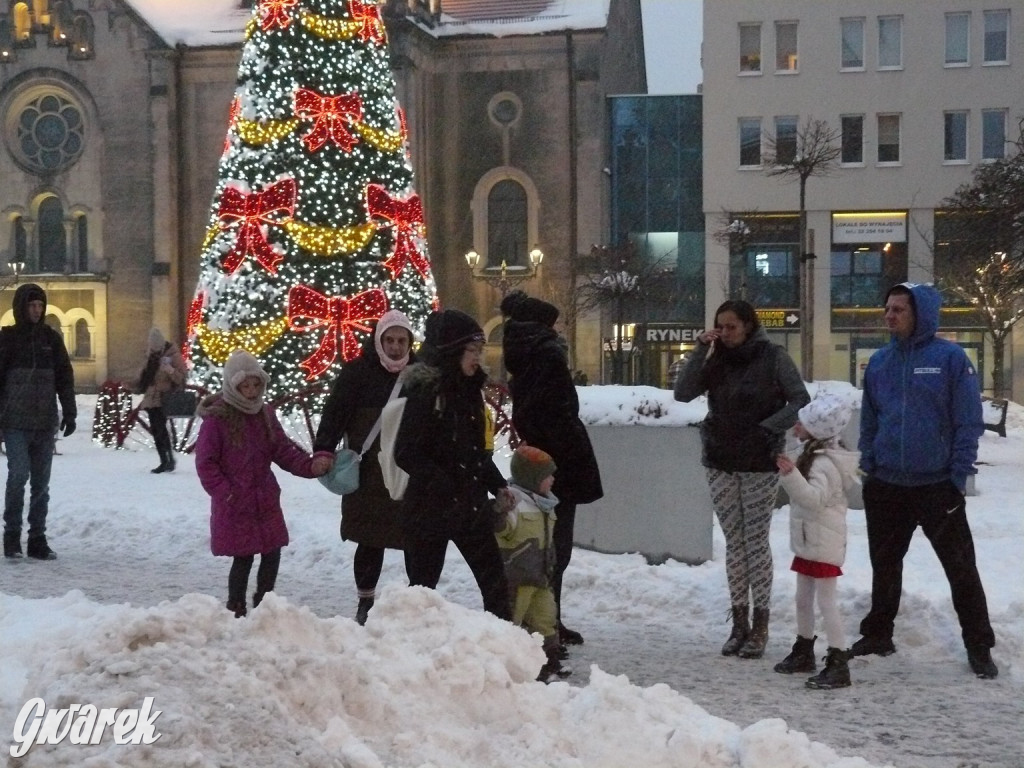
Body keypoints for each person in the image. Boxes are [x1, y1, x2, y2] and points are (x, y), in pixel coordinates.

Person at [851, 282, 998, 679]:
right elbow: (870, 419)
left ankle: (979, 644)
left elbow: (968, 421)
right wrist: (870, 463)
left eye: (899, 309)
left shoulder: (950, 359)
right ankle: (879, 632)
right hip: (886, 484)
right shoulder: (880, 361)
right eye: (888, 308)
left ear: (921, 313)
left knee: (960, 568)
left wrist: (957, 476)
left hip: (937, 486)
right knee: (884, 565)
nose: (890, 315)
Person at [674, 299, 809, 658]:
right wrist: (700, 349)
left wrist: (768, 428)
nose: (725, 332)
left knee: (755, 540)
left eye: (732, 326)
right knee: (734, 542)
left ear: (748, 325)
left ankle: (761, 625)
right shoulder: (716, 358)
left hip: (760, 460)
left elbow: (799, 398)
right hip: (720, 458)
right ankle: (739, 623)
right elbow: (683, 393)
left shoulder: (773, 356)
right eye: (721, 326)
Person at [393, 309, 514, 620]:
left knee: (496, 586)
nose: (478, 358)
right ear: (452, 351)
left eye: (479, 350)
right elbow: (405, 452)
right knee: (421, 593)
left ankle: (502, 654)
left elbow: (475, 452)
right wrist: (445, 481)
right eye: (472, 350)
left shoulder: (470, 391)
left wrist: (497, 484)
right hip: (428, 511)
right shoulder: (424, 391)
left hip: (470, 508)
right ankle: (409, 655)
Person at [195, 349, 333, 617]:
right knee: (243, 557)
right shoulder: (217, 420)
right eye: (244, 385)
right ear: (232, 385)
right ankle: (236, 607)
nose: (251, 390)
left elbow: (282, 450)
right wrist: (226, 494)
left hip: (265, 499)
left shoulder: (265, 414)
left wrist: (309, 466)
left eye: (256, 384)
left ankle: (264, 603)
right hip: (236, 502)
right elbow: (206, 463)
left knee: (273, 552)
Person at [500, 291, 603, 651]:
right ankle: (547, 624)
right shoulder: (547, 354)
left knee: (546, 544)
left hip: (539, 459)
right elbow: (564, 408)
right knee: (555, 547)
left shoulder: (521, 354)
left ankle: (546, 619)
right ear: (543, 325)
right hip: (559, 463)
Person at [314, 309, 417, 624]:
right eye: (390, 340)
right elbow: (335, 413)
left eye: (402, 340)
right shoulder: (357, 373)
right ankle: (365, 601)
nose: (396, 347)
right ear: (379, 340)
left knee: (416, 538)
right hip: (369, 471)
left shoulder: (420, 374)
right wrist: (323, 449)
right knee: (370, 538)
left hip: (406, 470)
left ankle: (420, 600)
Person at [773, 393, 859, 690]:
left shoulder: (824, 463)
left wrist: (790, 475)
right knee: (802, 600)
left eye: (803, 422)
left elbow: (813, 500)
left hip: (823, 543)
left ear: (818, 430)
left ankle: (838, 661)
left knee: (826, 603)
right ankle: (804, 648)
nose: (796, 425)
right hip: (811, 541)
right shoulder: (812, 453)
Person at [1, 283, 76, 560]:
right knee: (18, 475)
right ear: (21, 307)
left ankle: (37, 538)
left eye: (40, 305)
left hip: (44, 421)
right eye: (32, 305)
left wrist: (69, 411)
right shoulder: (7, 339)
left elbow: (64, 378)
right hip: (15, 422)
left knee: (41, 484)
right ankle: (11, 535)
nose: (37, 310)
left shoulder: (51, 339)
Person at [495, 444, 568, 682]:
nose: (553, 480)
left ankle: (548, 662)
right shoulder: (514, 502)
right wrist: (499, 513)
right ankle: (506, 664)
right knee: (512, 622)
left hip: (541, 574)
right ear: (533, 478)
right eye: (548, 476)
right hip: (517, 577)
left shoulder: (545, 503)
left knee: (546, 619)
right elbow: (502, 529)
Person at [136, 327, 187, 474]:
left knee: (161, 429)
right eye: (152, 348)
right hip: (151, 398)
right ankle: (165, 460)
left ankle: (168, 460)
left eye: (157, 348)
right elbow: (144, 376)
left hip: (165, 397)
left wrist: (170, 370)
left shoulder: (173, 355)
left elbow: (182, 378)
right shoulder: (150, 355)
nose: (154, 351)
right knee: (156, 429)